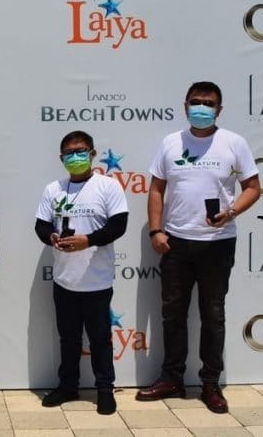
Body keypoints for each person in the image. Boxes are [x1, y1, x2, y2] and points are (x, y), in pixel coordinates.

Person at [136, 81, 260, 413]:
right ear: (185, 105)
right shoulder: (171, 142)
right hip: (175, 242)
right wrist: (157, 231)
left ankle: (210, 384)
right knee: (172, 313)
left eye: (208, 103)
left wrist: (231, 212)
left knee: (213, 314)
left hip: (218, 244)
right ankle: (172, 378)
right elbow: (156, 190)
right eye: (196, 101)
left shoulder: (234, 142)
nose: (201, 107)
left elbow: (253, 187)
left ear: (219, 109)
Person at [34, 130, 128, 415]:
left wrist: (88, 240)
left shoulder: (108, 186)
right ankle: (68, 386)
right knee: (68, 339)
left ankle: (104, 389)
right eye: (70, 153)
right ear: (62, 158)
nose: (76, 157)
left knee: (100, 338)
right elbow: (41, 225)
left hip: (97, 281)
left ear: (93, 154)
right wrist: (51, 237)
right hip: (65, 281)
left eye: (81, 151)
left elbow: (118, 226)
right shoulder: (54, 189)